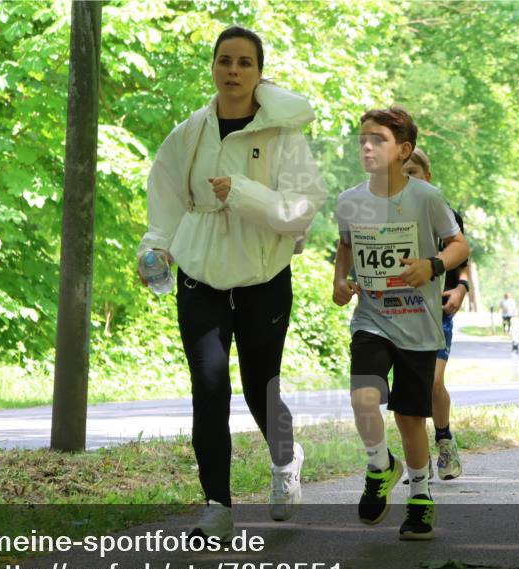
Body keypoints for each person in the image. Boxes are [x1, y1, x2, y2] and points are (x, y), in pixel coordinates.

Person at [138, 26, 327, 539]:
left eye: (245, 62)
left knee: (258, 387)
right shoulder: (190, 132)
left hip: (263, 275)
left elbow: (301, 210)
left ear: (260, 72)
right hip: (200, 275)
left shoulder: (283, 135)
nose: (234, 71)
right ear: (213, 68)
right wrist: (154, 248)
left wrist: (243, 192)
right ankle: (217, 507)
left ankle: (286, 461)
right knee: (209, 388)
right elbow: (166, 197)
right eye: (225, 61)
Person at [333, 106, 468, 540]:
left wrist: (433, 266)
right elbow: (346, 246)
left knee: (411, 418)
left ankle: (420, 496)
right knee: (363, 397)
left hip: (419, 324)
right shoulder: (350, 200)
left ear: (403, 149)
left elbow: (459, 245)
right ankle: (378, 466)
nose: (367, 147)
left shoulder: (426, 198)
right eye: (363, 140)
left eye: (379, 139)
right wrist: (339, 280)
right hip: (372, 319)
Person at [401, 148, 464, 482]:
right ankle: (418, 454)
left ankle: (444, 438)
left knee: (434, 381)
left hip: (438, 311)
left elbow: (462, 257)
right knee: (410, 387)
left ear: (427, 175)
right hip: (399, 311)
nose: (407, 179)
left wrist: (461, 289)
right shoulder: (390, 215)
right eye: (401, 173)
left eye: (413, 172)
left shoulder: (444, 212)